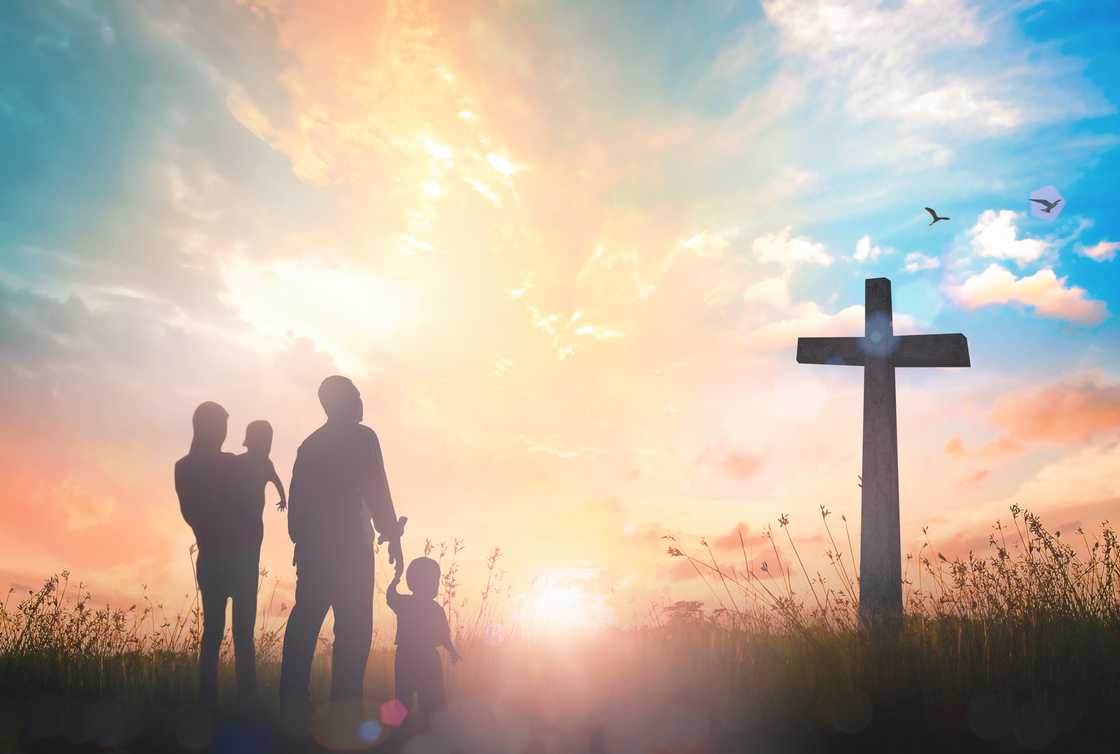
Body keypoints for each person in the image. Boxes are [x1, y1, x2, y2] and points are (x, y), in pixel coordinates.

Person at [279, 376, 405, 703]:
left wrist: (300, 541)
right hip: (351, 548)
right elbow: (378, 490)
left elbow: (298, 498)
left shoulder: (311, 444)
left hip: (315, 549)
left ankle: (293, 700)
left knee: (305, 622)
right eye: (357, 395)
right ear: (345, 401)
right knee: (353, 629)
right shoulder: (363, 438)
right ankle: (345, 704)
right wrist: (391, 534)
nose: (362, 401)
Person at [174, 401, 258, 707]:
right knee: (241, 634)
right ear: (208, 427)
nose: (224, 432)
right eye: (221, 425)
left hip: (211, 556)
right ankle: (246, 701)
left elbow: (192, 514)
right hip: (238, 558)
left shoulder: (183, 468)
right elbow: (247, 507)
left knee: (213, 633)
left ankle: (208, 701)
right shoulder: (232, 464)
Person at [387, 557, 461, 721]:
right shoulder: (435, 609)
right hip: (426, 657)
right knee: (428, 698)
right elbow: (443, 636)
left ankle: (398, 729)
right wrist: (452, 651)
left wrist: (395, 579)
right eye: (432, 580)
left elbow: (390, 596)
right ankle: (427, 726)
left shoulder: (404, 603)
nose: (435, 584)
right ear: (416, 582)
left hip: (406, 656)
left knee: (404, 695)